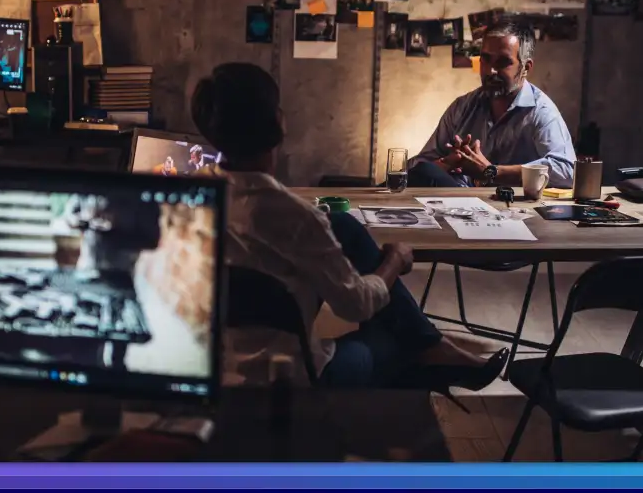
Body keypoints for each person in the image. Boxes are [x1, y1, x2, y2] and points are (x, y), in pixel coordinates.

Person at [191, 62, 507, 389]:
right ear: (277, 124)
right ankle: (420, 380)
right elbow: (355, 304)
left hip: (207, 367)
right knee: (397, 342)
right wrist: (394, 262)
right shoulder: (296, 218)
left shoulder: (192, 199)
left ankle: (434, 349)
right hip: (291, 378)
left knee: (341, 224)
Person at [407, 20, 576, 189]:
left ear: (526, 68)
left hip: (512, 208)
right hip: (461, 205)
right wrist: (447, 162)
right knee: (412, 176)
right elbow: (422, 166)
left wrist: (491, 172)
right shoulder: (463, 106)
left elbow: (567, 171)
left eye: (503, 62)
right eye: (486, 60)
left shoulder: (540, 111)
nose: (490, 71)